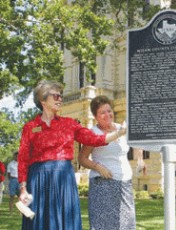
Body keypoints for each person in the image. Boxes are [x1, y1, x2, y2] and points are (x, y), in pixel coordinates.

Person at [18, 80, 126, 230]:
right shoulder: (30, 127)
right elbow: (23, 159)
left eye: (61, 96)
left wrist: (118, 133)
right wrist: (23, 189)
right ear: (43, 100)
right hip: (38, 180)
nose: (60, 99)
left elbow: (93, 139)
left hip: (63, 178)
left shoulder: (69, 123)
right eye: (56, 96)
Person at [78, 95, 136, 230]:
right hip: (103, 183)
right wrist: (98, 167)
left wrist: (139, 160)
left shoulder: (121, 128)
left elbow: (133, 145)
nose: (107, 114)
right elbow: (82, 158)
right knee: (103, 225)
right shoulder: (93, 133)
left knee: (126, 224)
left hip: (125, 183)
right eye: (102, 112)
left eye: (109, 111)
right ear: (95, 116)